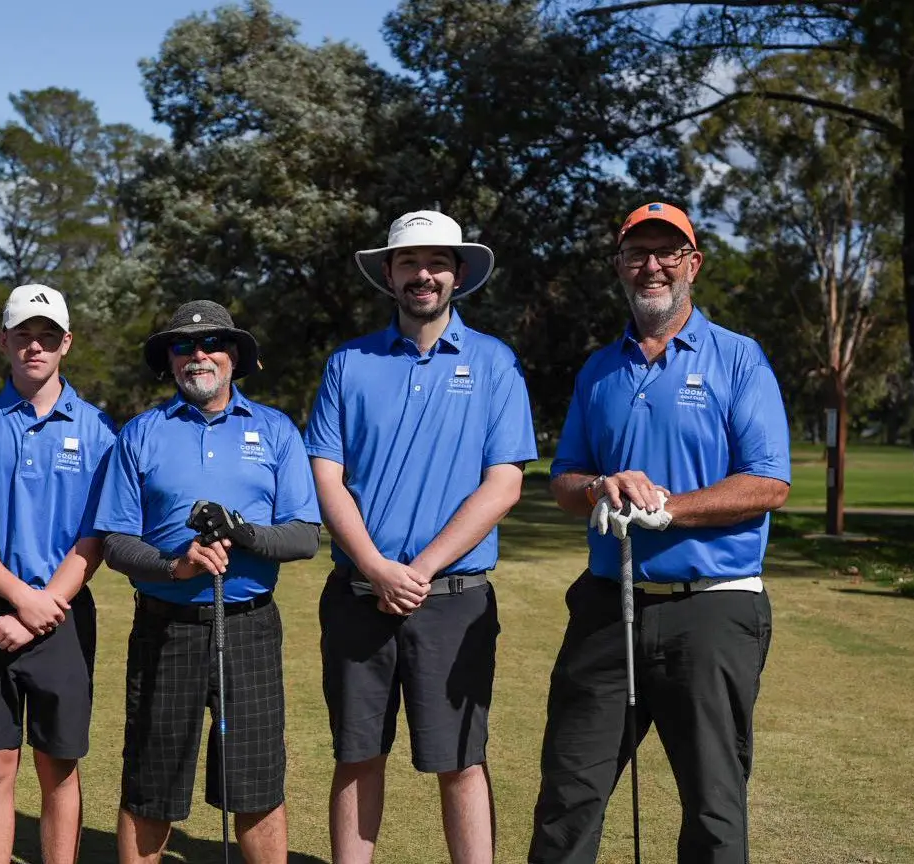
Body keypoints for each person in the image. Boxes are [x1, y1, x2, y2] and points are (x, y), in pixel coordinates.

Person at [527, 202, 791, 864]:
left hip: (713, 607)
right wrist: (597, 489)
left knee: (713, 804)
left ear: (692, 265)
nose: (652, 266)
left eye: (667, 253)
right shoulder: (598, 370)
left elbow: (768, 484)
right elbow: (562, 479)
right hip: (606, 604)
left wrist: (668, 507)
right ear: (618, 266)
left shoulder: (738, 359)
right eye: (637, 253)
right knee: (569, 793)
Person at [305, 211, 537, 864]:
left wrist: (420, 570)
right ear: (389, 274)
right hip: (358, 594)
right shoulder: (349, 363)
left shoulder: (495, 362)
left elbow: (503, 484)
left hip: (454, 599)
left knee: (460, 760)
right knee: (357, 756)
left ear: (458, 274)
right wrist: (377, 566)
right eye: (409, 263)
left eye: (436, 262)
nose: (423, 274)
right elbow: (326, 473)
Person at [94, 300, 321, 864]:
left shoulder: (274, 430)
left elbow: (302, 537)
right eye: (183, 346)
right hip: (165, 629)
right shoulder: (140, 434)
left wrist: (241, 531)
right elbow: (116, 542)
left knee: (257, 781)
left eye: (213, 344)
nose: (198, 355)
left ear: (234, 355)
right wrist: (178, 565)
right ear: (169, 361)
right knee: (150, 782)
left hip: (247, 628)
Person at [0, 284, 117, 864]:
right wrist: (22, 600)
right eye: (24, 335)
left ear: (66, 343)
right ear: (4, 342)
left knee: (58, 764)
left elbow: (94, 539)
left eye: (47, 336)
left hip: (63, 612)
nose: (35, 347)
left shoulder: (97, 431)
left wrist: (44, 610)